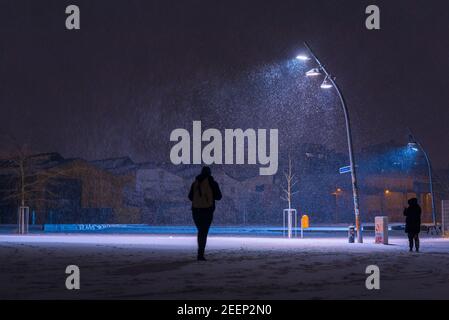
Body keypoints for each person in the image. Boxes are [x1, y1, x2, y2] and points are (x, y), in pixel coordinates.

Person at [188, 166, 222, 261]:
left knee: (200, 231)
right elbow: (219, 197)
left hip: (196, 210)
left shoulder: (195, 183)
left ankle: (200, 253)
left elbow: (190, 197)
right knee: (203, 232)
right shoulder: (212, 183)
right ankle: (200, 254)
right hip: (207, 210)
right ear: (210, 173)